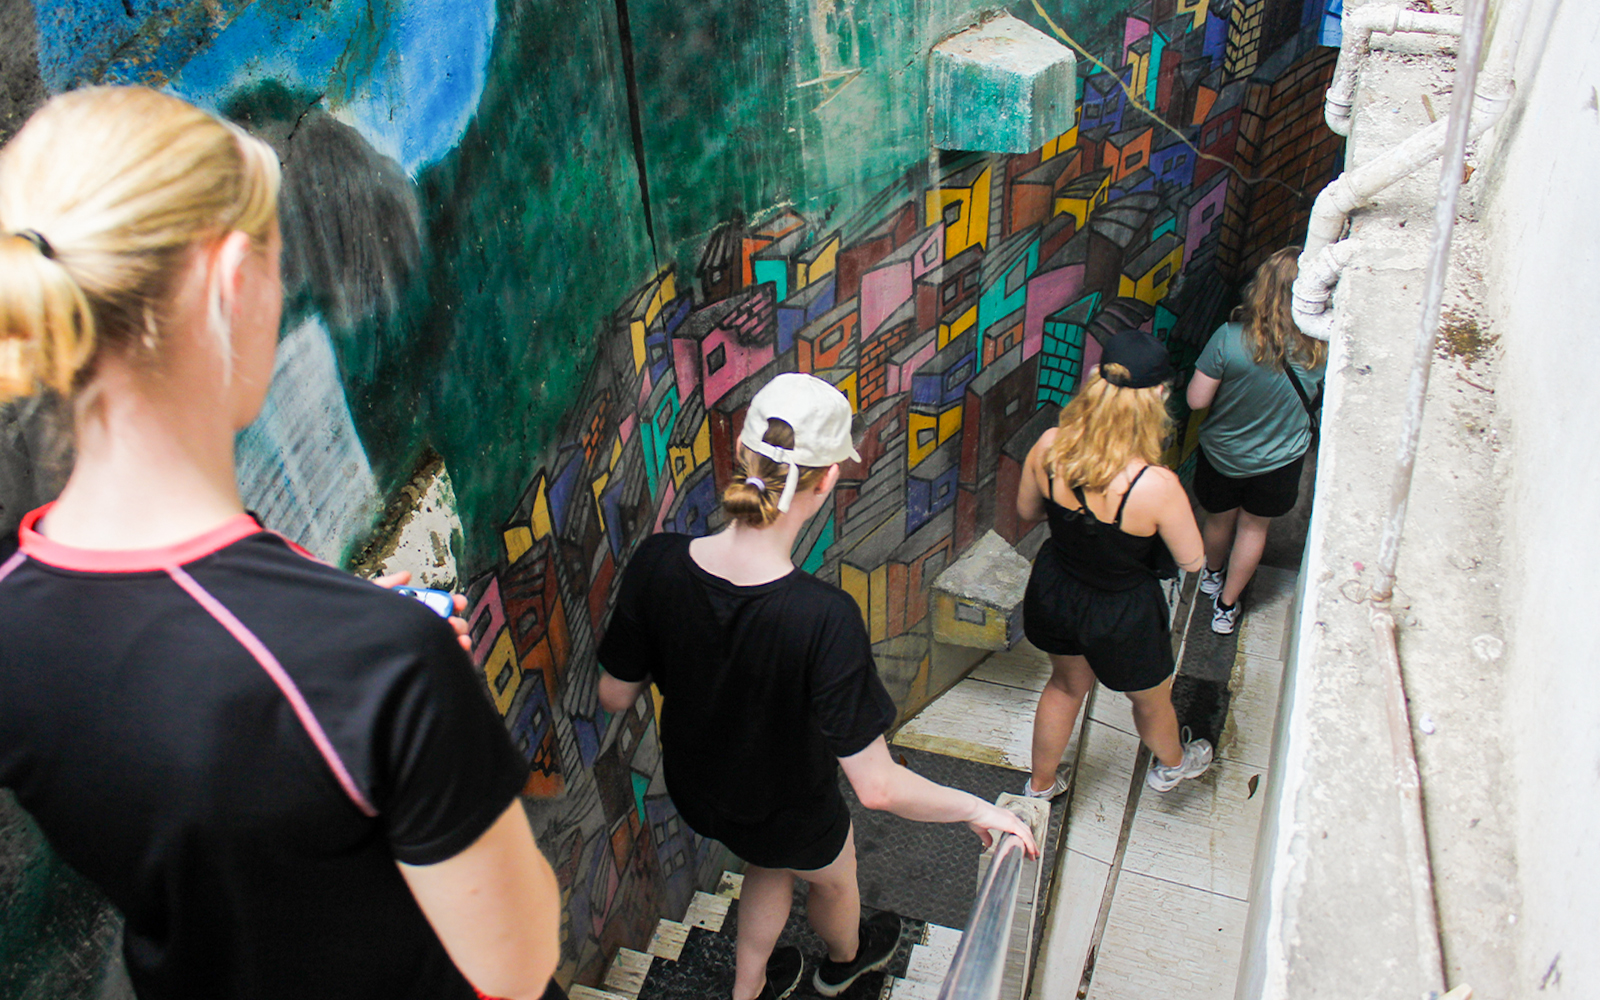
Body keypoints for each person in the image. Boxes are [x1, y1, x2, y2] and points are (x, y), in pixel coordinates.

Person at [0, 87, 559, 1000]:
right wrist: (424, 710)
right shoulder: (386, 665)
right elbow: (520, 960)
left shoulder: (15, 612)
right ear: (230, 282)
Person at [596, 373, 1037, 1000]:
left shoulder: (657, 562)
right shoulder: (821, 617)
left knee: (766, 861)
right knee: (833, 876)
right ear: (828, 478)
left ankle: (747, 989)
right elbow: (877, 788)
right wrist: (980, 809)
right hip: (790, 808)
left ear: (742, 456)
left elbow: (616, 694)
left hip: (699, 789)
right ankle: (843, 965)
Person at [1015, 331, 1214, 798]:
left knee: (1064, 686)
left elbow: (1026, 512)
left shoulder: (1049, 446)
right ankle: (1173, 765)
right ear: (1158, 397)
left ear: (1093, 383)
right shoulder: (1156, 485)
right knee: (1149, 700)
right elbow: (1192, 559)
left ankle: (1040, 786)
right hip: (1123, 612)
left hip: (1056, 588)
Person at [1186, 247, 1326, 634]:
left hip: (1223, 455)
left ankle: (1211, 575)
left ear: (1261, 288)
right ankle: (1226, 607)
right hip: (1281, 461)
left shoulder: (1229, 339)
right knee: (1253, 529)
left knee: (1219, 520)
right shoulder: (1321, 348)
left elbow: (1196, 399)